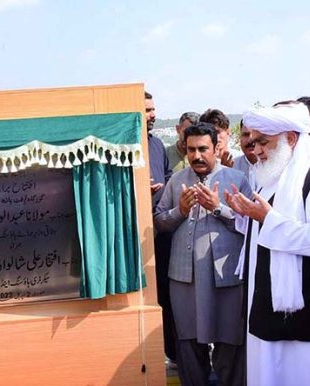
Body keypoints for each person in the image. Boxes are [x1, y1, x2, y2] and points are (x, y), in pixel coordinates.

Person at [226, 103, 310, 385]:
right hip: (268, 312)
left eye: (263, 142)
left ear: (291, 139)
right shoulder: (269, 179)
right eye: (252, 141)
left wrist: (267, 220)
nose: (256, 150)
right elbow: (265, 233)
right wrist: (246, 216)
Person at [155, 122, 251, 386]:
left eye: (203, 149)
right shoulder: (176, 181)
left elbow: (251, 225)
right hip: (185, 278)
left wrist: (218, 208)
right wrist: (180, 212)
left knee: (229, 342)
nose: (196, 156)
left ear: (216, 149)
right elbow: (159, 222)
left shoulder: (236, 180)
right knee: (188, 344)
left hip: (226, 277)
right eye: (191, 150)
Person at [145, 91, 177, 367]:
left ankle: (170, 353)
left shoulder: (156, 145)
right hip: (137, 235)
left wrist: (161, 188)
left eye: (153, 110)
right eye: (146, 110)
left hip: (162, 229)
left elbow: (167, 176)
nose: (152, 115)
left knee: (166, 294)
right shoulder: (125, 143)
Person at [232, 120, 258, 189]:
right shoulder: (232, 167)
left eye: (254, 134)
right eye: (246, 135)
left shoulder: (274, 169)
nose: (250, 140)